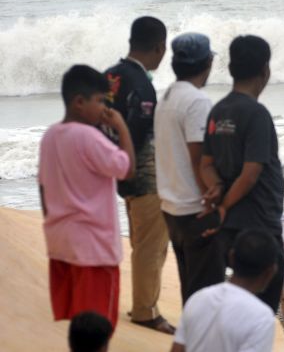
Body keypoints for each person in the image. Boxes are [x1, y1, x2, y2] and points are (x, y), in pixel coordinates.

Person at [38, 65, 136, 329]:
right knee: (97, 327)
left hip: (61, 241)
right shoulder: (89, 137)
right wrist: (121, 127)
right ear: (79, 102)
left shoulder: (50, 136)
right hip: (93, 248)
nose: (104, 108)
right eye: (100, 100)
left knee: (80, 326)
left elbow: (43, 188)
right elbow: (127, 168)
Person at [200, 35, 284, 313]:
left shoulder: (218, 110)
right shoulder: (256, 113)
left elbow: (205, 164)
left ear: (231, 69)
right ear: (265, 70)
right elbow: (251, 173)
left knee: (235, 304)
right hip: (259, 223)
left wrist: (215, 189)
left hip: (230, 228)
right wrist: (223, 205)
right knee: (262, 310)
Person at [104, 16, 175, 333]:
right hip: (144, 176)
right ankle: (145, 311)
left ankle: (145, 304)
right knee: (152, 245)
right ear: (160, 47)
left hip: (119, 174)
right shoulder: (142, 85)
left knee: (141, 242)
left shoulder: (109, 76)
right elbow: (137, 130)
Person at [154, 32, 218, 304]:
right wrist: (211, 201)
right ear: (207, 63)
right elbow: (199, 159)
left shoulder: (167, 97)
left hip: (171, 207)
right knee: (206, 292)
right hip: (195, 208)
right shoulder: (197, 101)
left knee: (190, 290)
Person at [171, 230, 279, 352]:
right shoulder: (261, 318)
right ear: (271, 271)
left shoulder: (198, 298)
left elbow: (177, 349)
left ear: (231, 257)